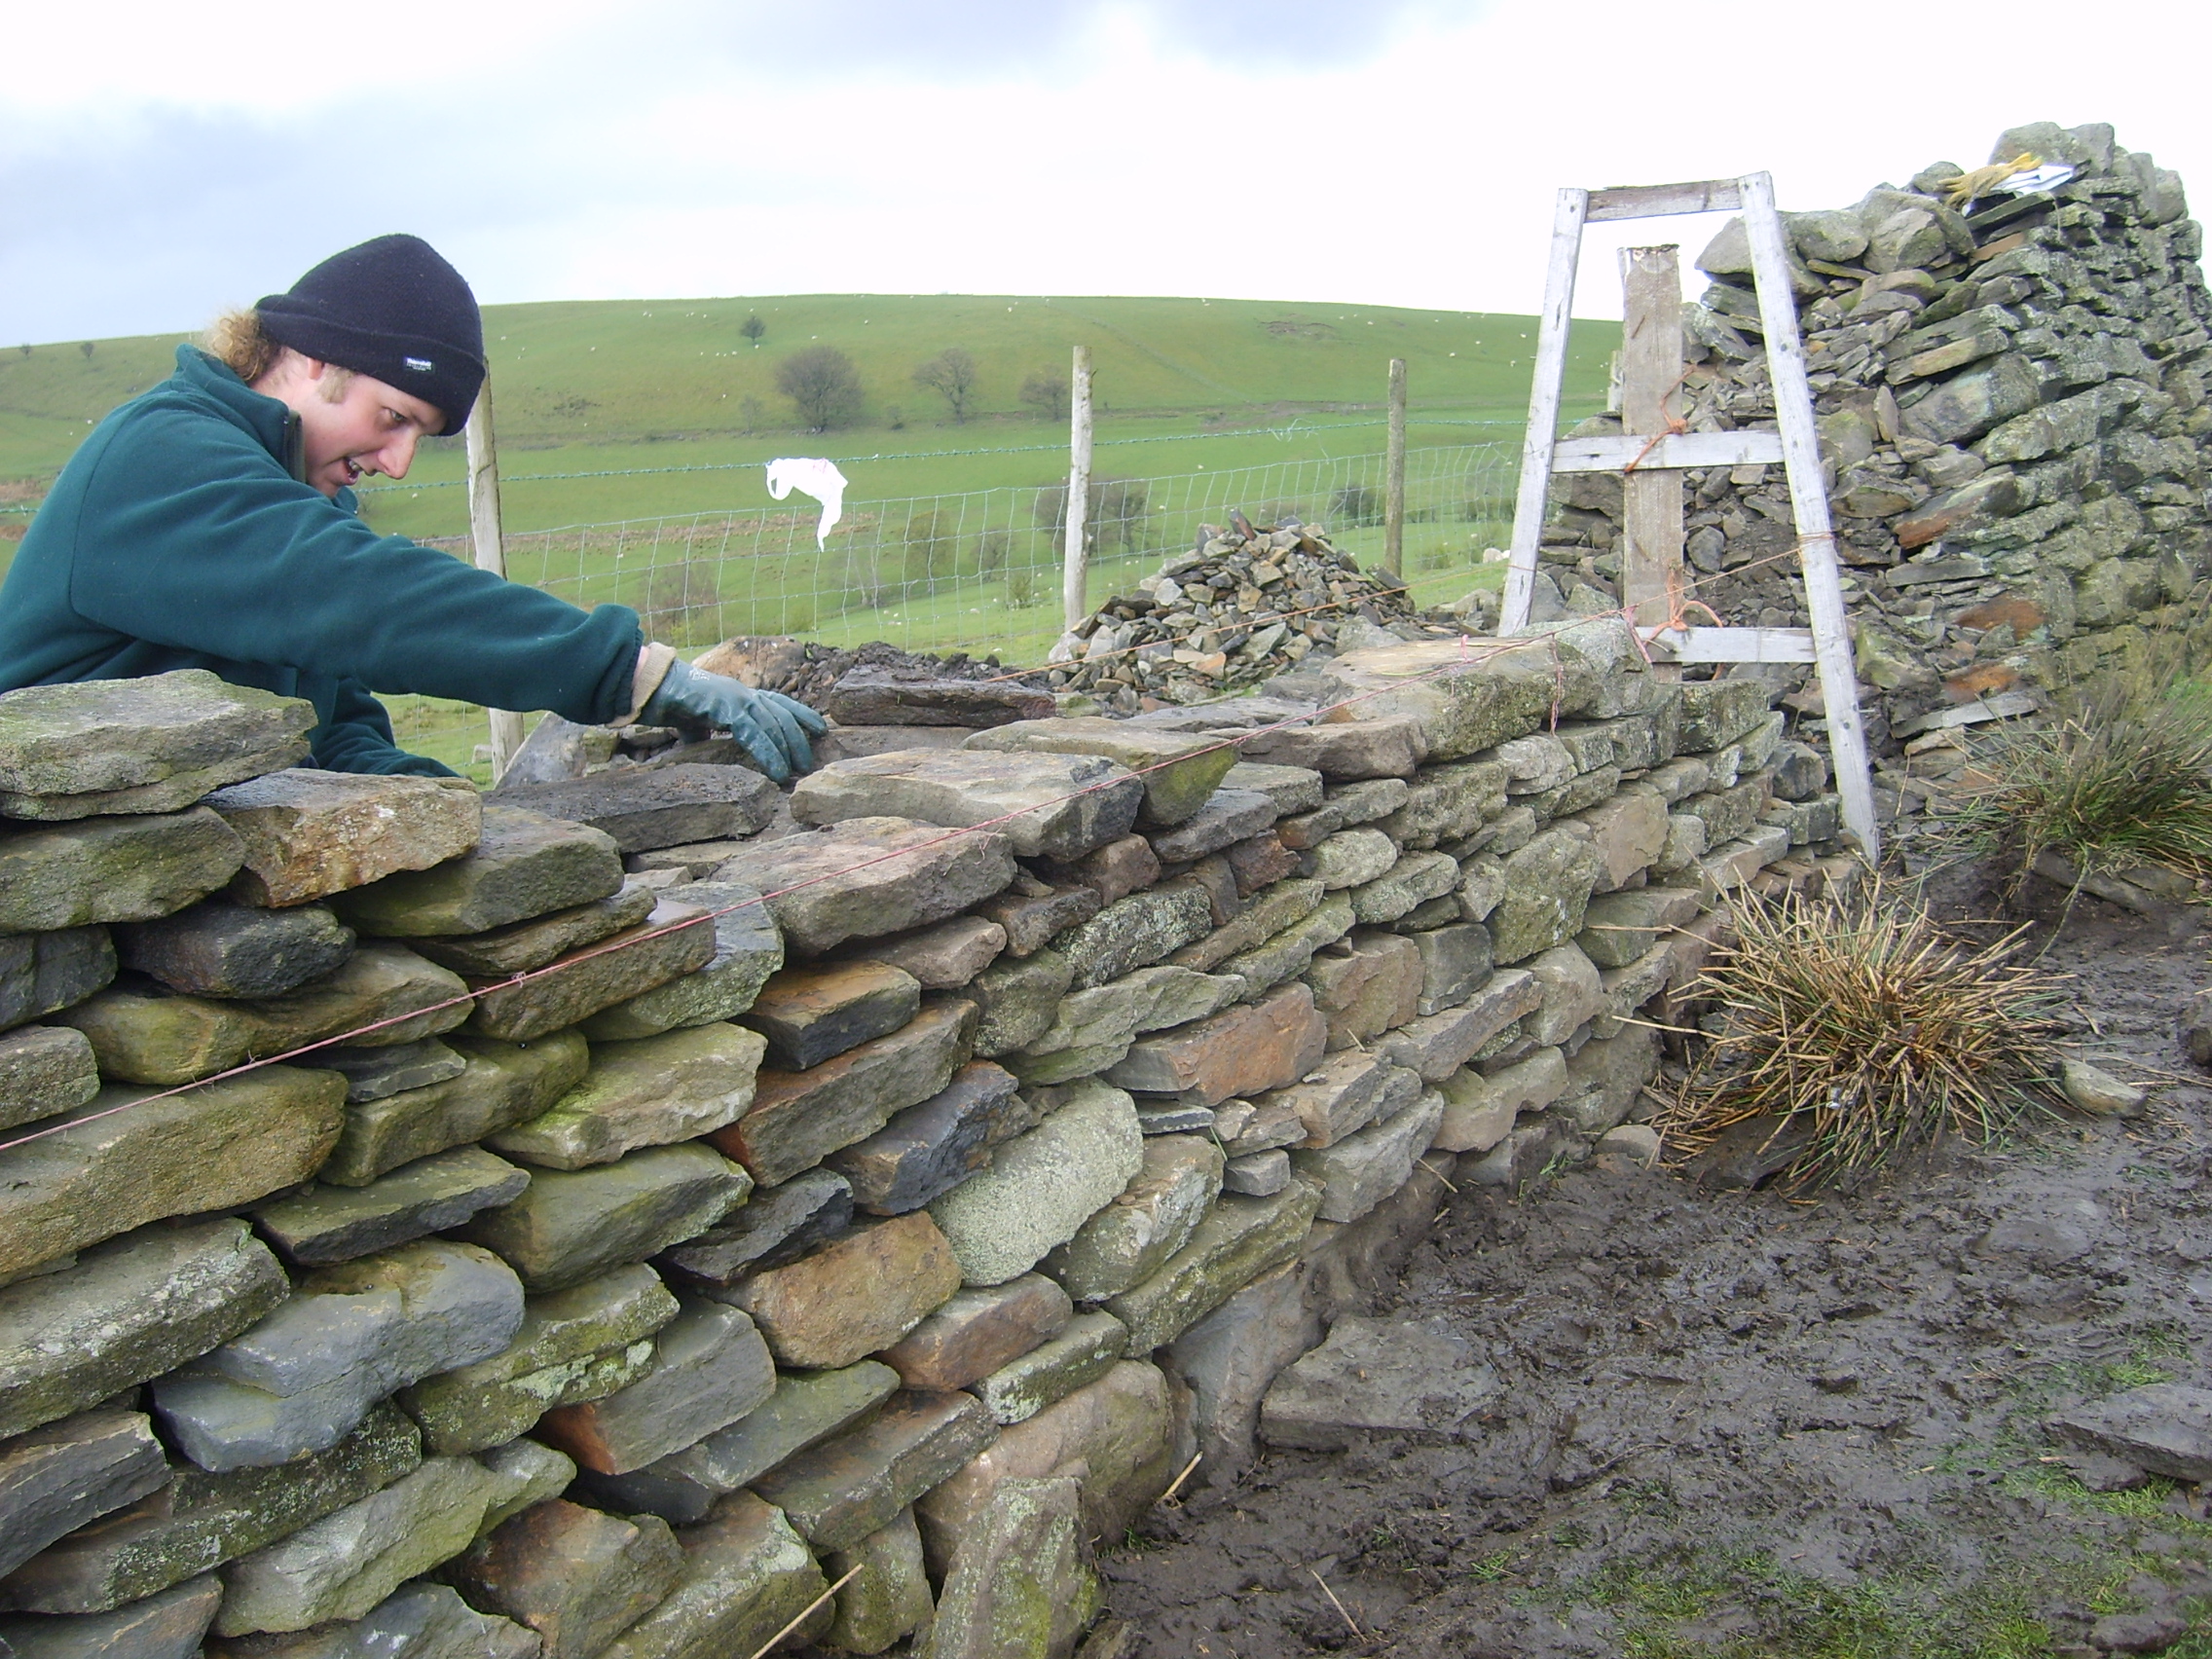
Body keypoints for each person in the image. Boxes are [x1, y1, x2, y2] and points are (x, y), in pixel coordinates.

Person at [0, 235, 824, 780]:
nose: (395, 464)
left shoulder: (296, 497)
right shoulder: (163, 457)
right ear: (314, 359)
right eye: (392, 418)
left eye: (419, 438)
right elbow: (360, 596)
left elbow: (334, 730)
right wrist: (631, 672)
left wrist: (466, 817)